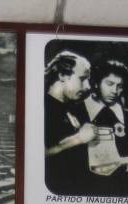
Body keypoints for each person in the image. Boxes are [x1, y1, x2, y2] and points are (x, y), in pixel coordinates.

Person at [44, 50, 94, 196]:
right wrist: (78, 139)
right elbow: (33, 154)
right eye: (82, 79)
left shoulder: (72, 107)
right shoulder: (40, 107)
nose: (88, 86)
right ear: (62, 76)